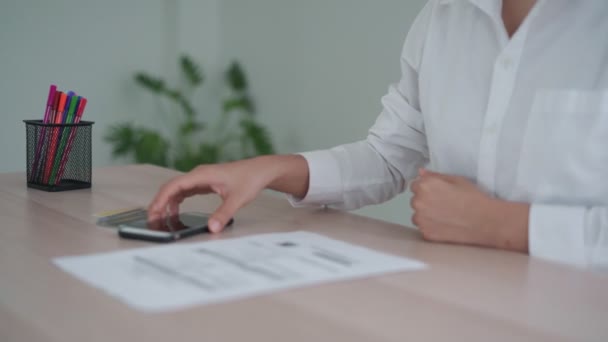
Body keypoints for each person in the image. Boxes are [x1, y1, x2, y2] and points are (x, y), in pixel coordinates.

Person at [148, 0, 608, 269]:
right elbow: (390, 156)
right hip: (453, 299)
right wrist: (271, 169)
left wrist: (505, 227)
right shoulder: (442, 17)